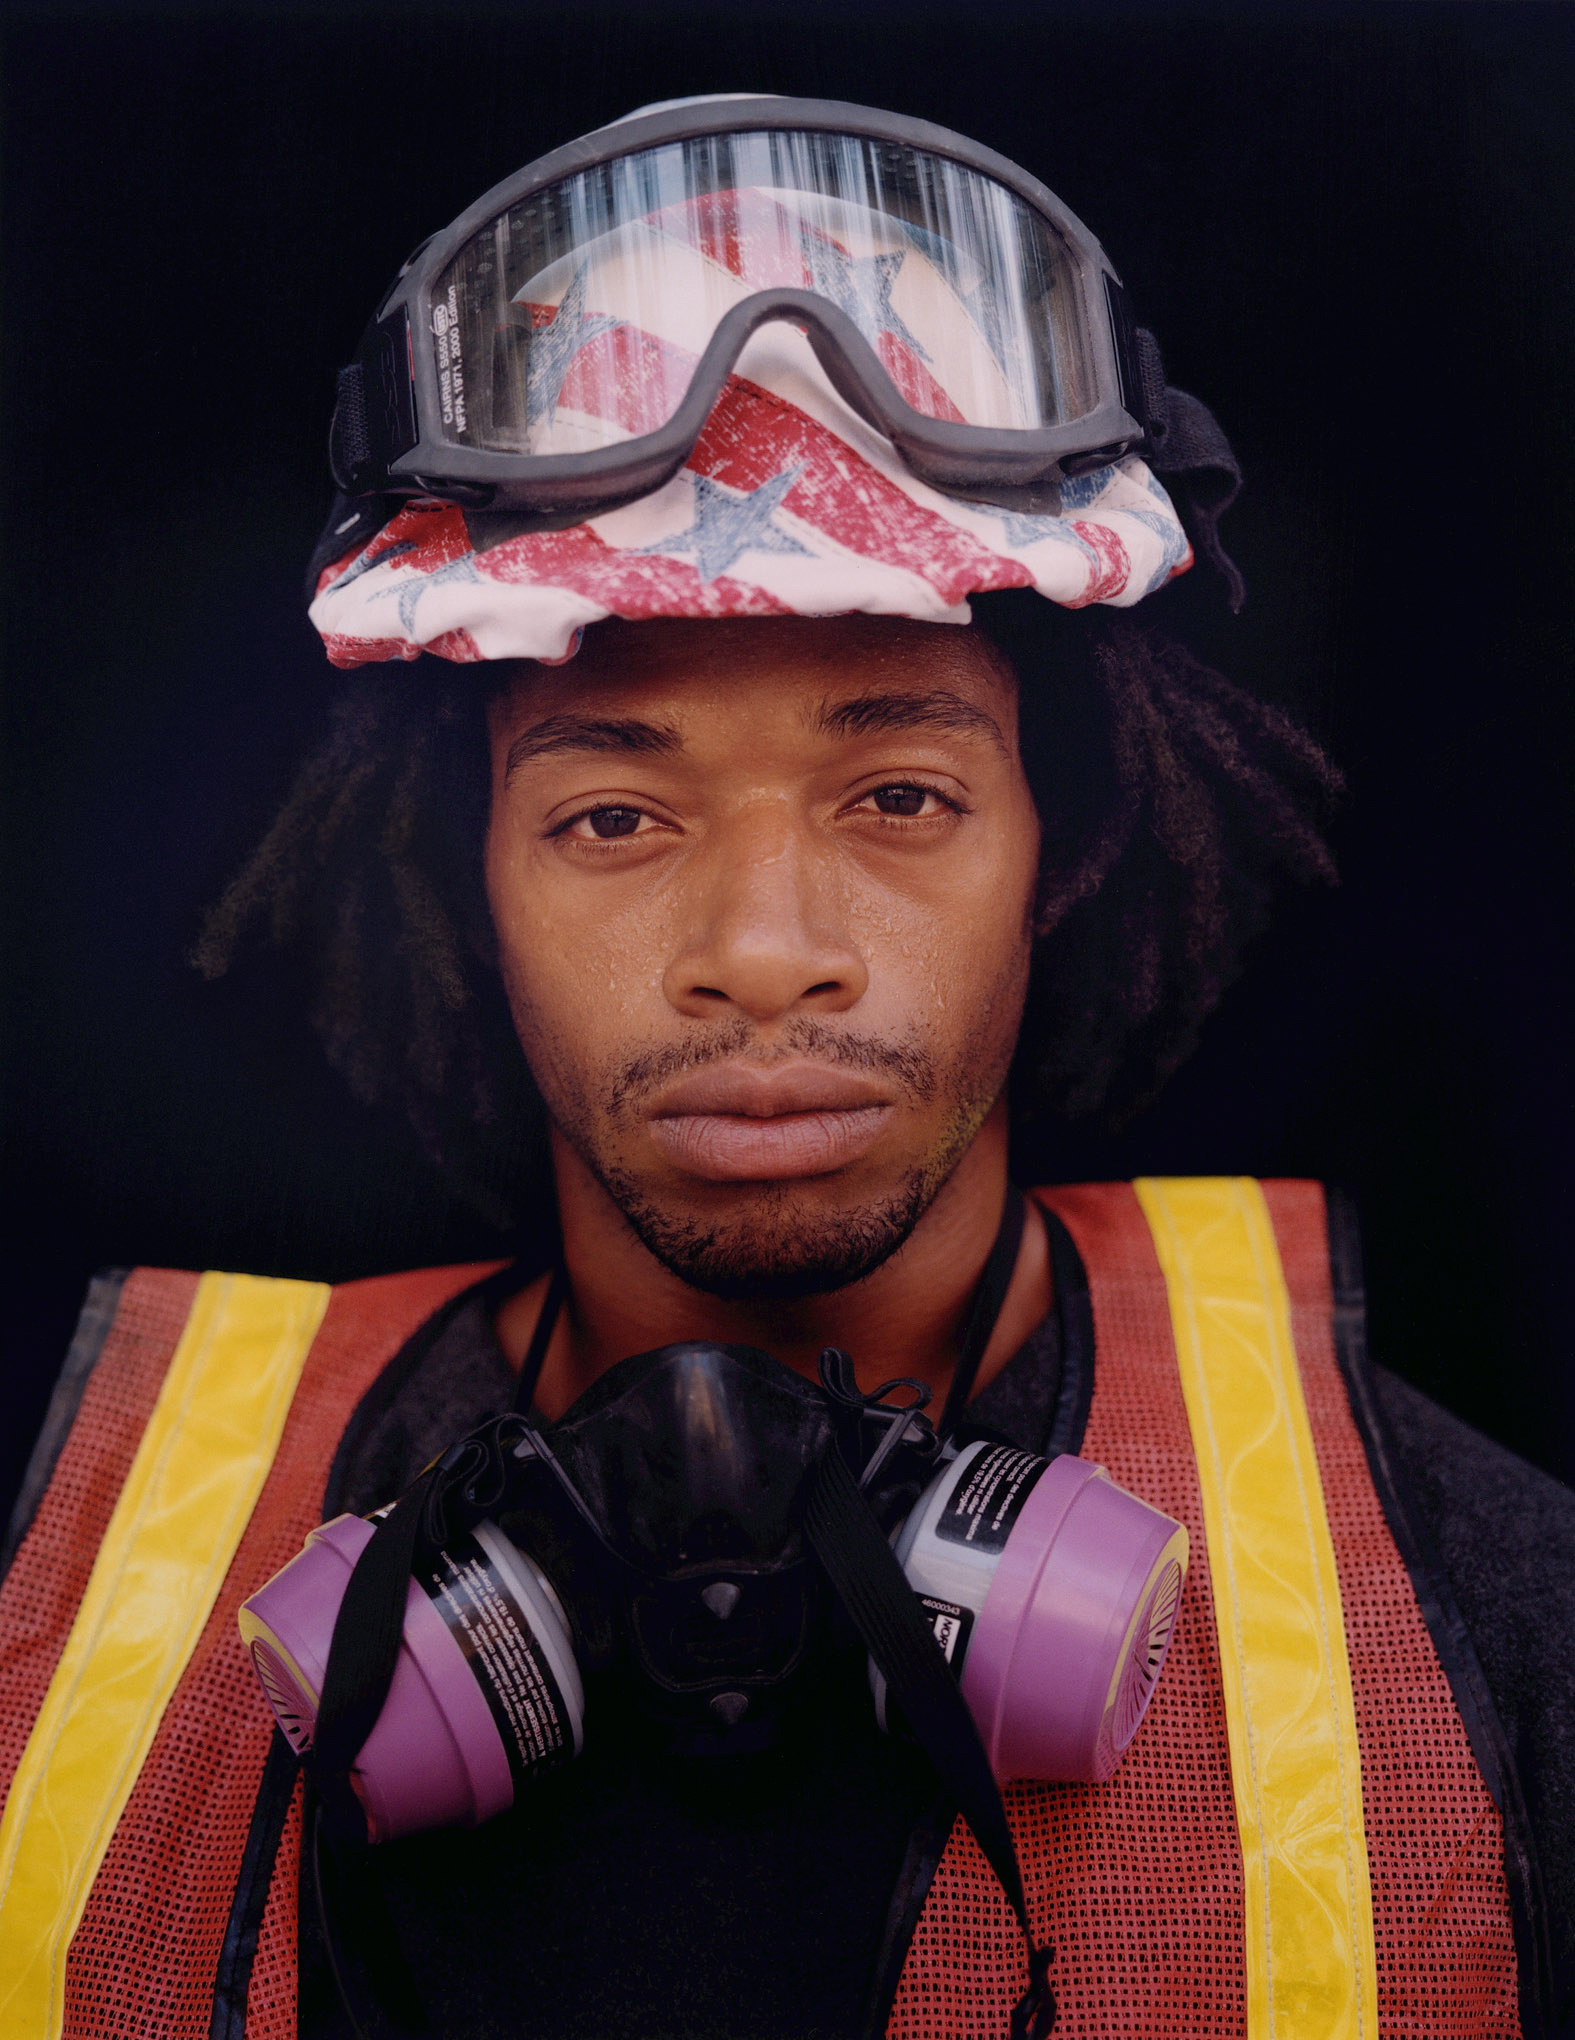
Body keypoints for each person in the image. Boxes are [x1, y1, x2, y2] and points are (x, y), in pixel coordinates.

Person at [1, 96, 1569, 2040]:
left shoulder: (1507, 1626)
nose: (761, 948)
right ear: (468, 876)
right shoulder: (58, 1609)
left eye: (899, 796)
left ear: (1054, 850)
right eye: (612, 819)